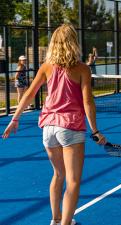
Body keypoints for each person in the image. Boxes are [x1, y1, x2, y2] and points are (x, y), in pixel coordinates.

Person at [2, 24, 107, 225]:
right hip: (70, 127)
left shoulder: (46, 66)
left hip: (48, 128)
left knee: (58, 174)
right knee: (73, 181)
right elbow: (87, 101)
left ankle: (56, 219)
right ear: (73, 42)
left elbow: (29, 94)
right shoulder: (82, 68)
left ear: (54, 43)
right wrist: (95, 130)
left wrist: (15, 119)